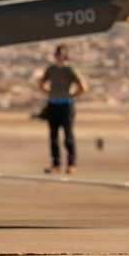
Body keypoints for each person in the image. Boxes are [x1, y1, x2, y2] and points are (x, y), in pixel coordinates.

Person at [37, 45, 87, 174]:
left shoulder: (70, 70)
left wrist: (71, 96)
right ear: (55, 56)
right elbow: (41, 83)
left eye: (62, 55)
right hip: (53, 105)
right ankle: (56, 165)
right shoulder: (51, 69)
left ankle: (71, 164)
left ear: (66, 56)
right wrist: (48, 92)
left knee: (68, 136)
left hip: (66, 106)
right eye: (58, 54)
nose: (59, 57)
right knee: (53, 137)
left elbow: (83, 86)